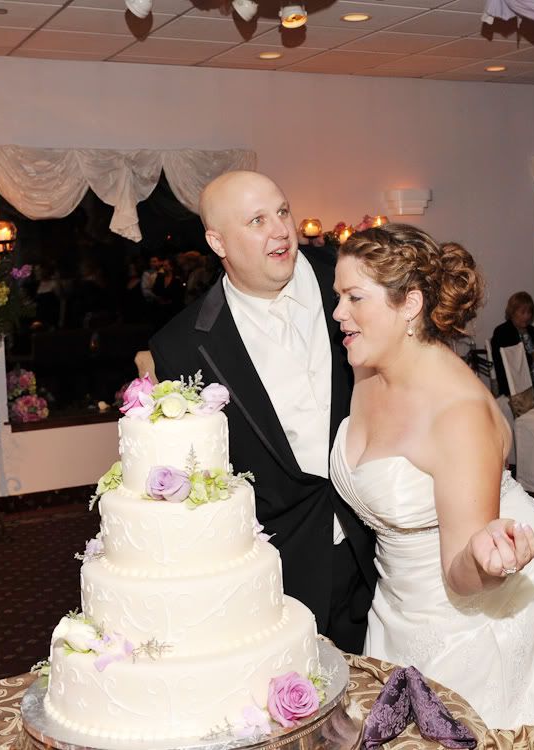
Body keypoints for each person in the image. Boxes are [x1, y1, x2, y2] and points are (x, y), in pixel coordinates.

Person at [329, 224, 534, 750]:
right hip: (397, 598)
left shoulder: (457, 413)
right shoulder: (366, 367)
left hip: (467, 611)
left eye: (354, 297)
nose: (338, 312)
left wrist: (489, 560)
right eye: (338, 296)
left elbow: (462, 577)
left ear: (410, 304)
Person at [149, 170, 376, 653]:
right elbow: (201, 476)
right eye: (257, 220)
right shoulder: (181, 345)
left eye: (282, 212)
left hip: (380, 547)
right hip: (281, 571)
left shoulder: (351, 281)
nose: (280, 230)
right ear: (218, 242)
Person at [491, 291, 534, 404]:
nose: (527, 316)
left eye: (529, 312)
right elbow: (511, 363)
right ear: (512, 312)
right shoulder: (503, 332)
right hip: (521, 389)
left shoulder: (532, 331)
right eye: (523, 312)